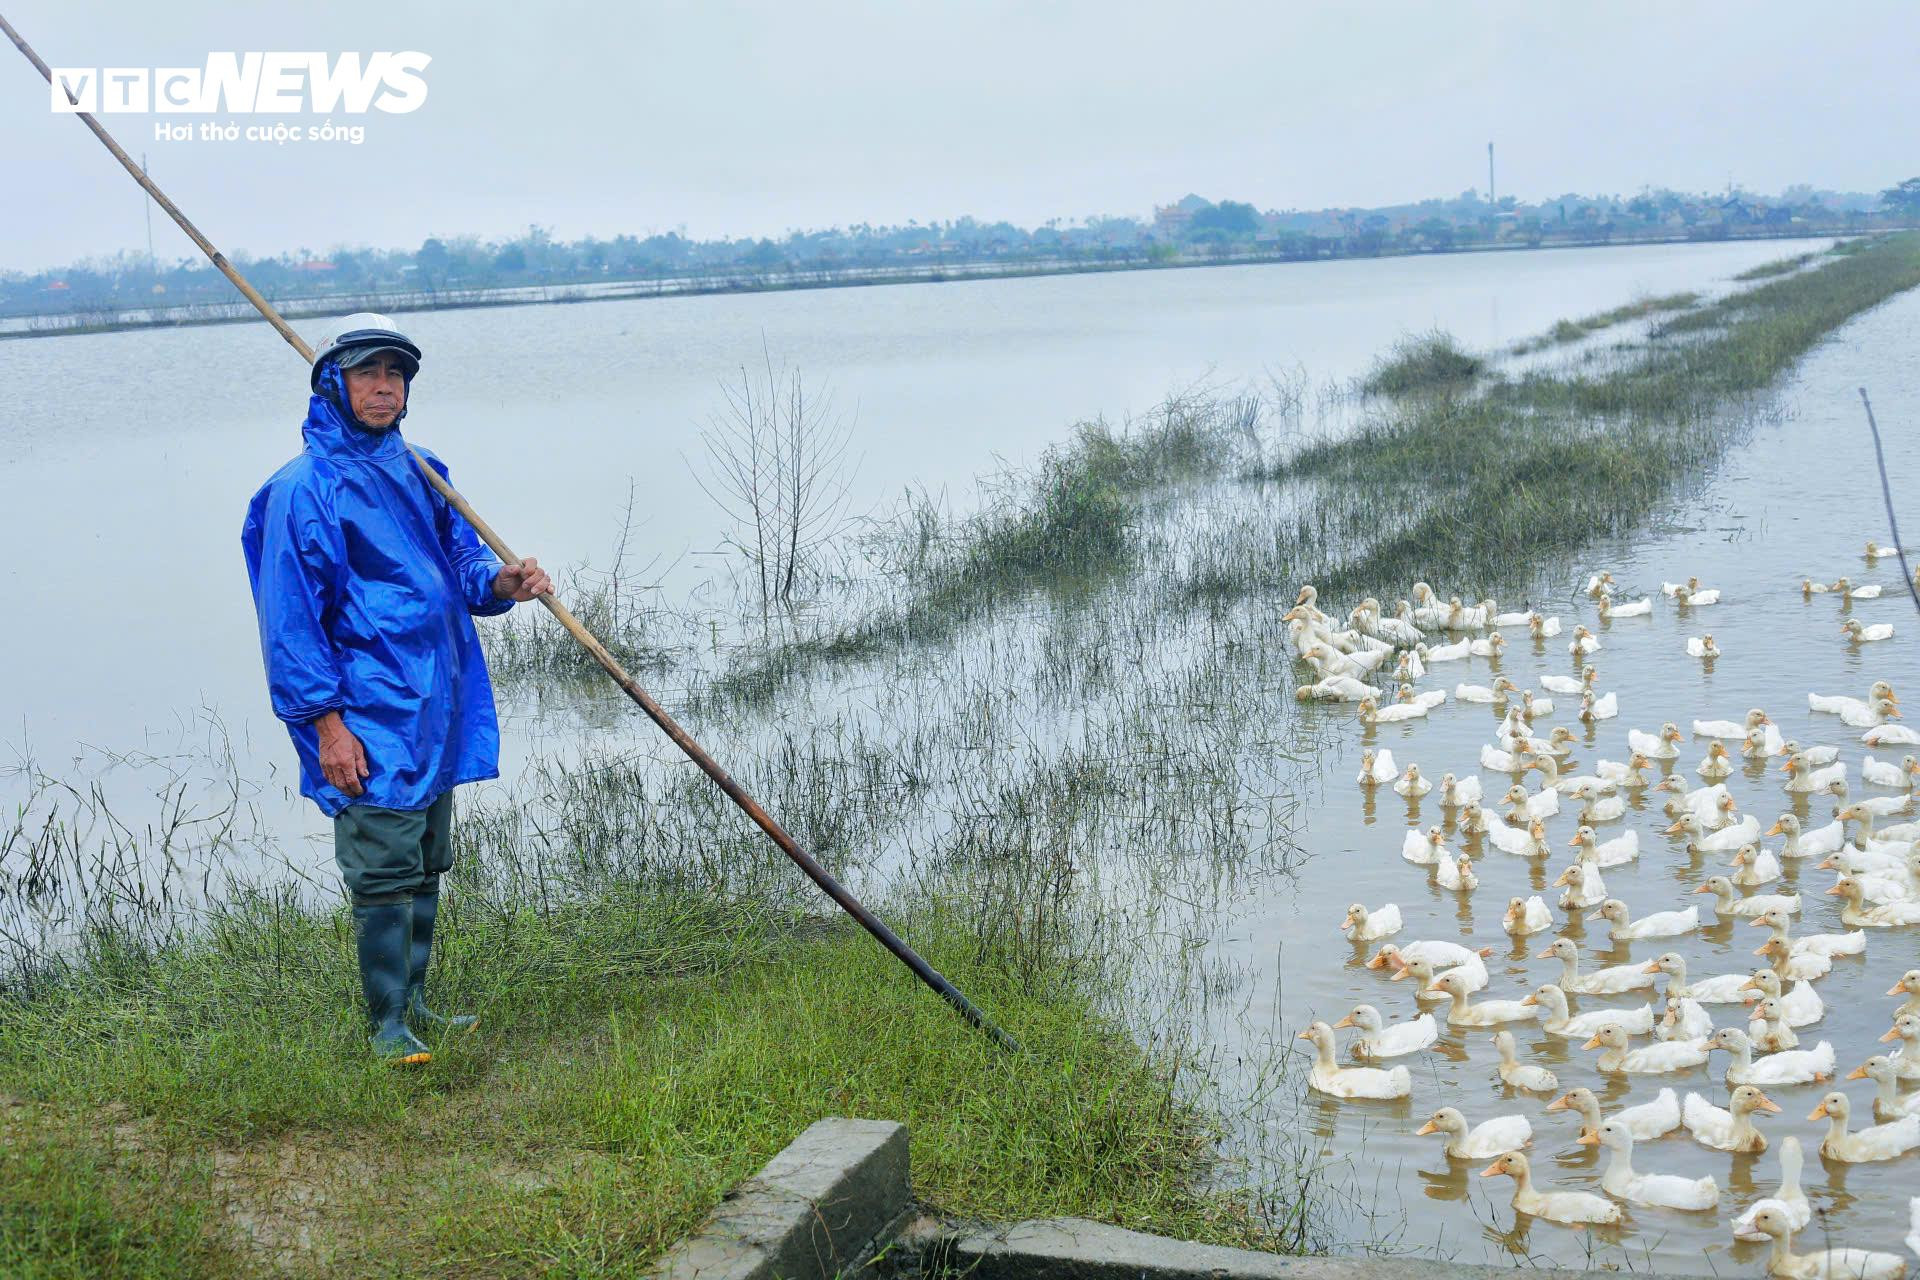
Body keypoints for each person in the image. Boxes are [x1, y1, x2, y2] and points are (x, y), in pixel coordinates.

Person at [241, 314, 551, 1065]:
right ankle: (386, 1026)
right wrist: (327, 727)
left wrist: (501, 582)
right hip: (366, 711)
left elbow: (462, 565)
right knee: (382, 865)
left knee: (425, 859)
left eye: (396, 374)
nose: (384, 388)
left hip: (435, 704)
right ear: (333, 383)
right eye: (367, 373)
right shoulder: (303, 491)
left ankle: (415, 1003)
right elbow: (291, 626)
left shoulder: (423, 469)